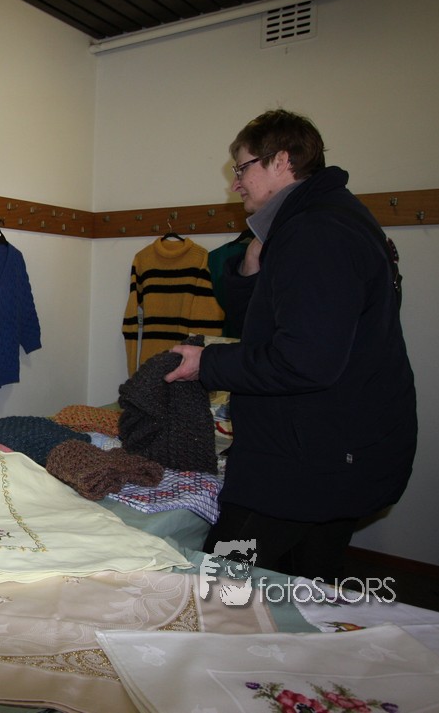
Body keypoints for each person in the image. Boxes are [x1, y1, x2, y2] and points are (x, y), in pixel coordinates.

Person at [164, 109, 417, 581]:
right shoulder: (320, 220)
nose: (235, 183)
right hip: (335, 445)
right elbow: (269, 328)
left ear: (281, 161)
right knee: (309, 585)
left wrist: (207, 364)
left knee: (222, 584)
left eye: (242, 168)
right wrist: (249, 272)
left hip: (311, 458)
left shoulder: (317, 231)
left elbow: (305, 360)